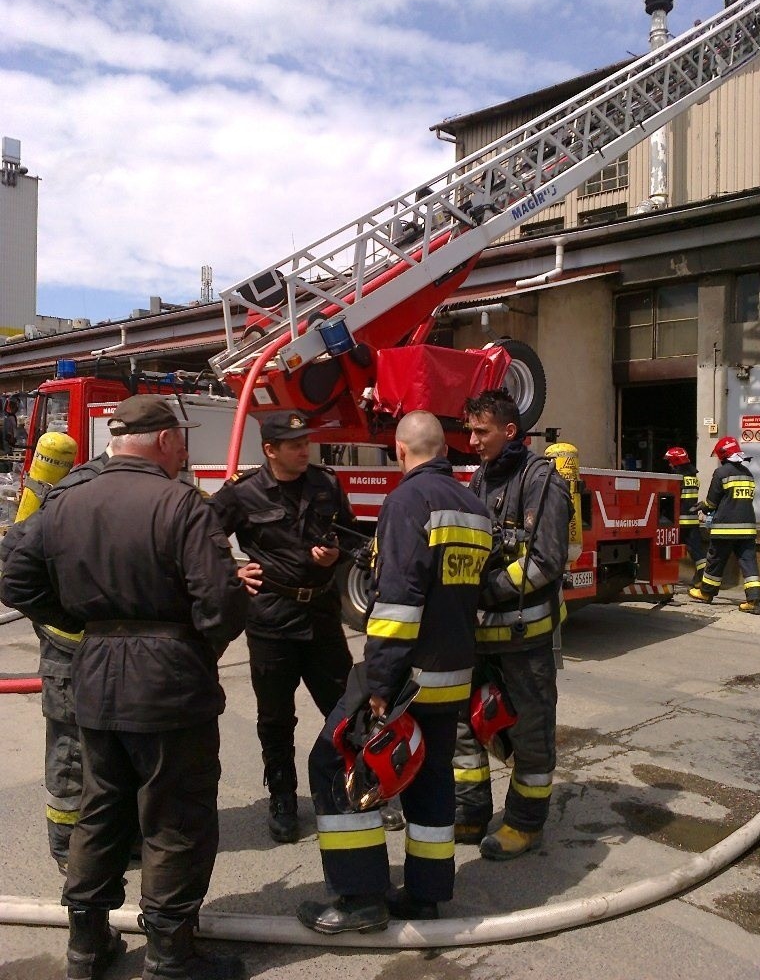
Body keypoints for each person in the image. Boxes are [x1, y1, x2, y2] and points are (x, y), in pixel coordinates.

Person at [0, 394, 249, 980]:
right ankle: (170, 955)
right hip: (167, 680)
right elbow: (219, 600)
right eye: (181, 440)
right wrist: (195, 646)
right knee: (175, 815)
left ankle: (86, 948)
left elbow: (14, 577)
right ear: (163, 441)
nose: (185, 451)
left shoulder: (66, 501)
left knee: (100, 809)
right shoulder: (180, 502)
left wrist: (83, 620)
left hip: (94, 674)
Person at [296, 410, 493, 934]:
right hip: (453, 672)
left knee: (333, 758)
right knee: (430, 777)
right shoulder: (473, 506)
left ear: (401, 451)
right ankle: (426, 895)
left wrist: (379, 684)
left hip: (407, 676)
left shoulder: (408, 501)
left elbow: (400, 604)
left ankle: (360, 898)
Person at [211, 408, 406, 844]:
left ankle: (365, 786)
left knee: (345, 707)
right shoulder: (242, 494)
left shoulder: (325, 483)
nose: (305, 450)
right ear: (270, 450)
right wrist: (231, 572)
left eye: (306, 443)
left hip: (320, 615)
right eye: (295, 446)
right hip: (272, 619)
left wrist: (335, 555)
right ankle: (283, 797)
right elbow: (200, 537)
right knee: (276, 717)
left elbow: (350, 535)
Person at [452, 388, 572, 860]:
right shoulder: (480, 479)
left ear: (509, 430)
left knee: (531, 733)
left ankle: (524, 824)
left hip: (525, 639)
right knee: (465, 725)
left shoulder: (541, 479)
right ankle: (470, 812)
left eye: (481, 432)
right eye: (469, 431)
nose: (473, 440)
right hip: (479, 637)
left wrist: (482, 589)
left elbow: (545, 564)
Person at [0, 447, 112, 874]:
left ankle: (116, 834)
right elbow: (14, 569)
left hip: (111, 645)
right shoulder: (75, 495)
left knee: (115, 745)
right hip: (71, 644)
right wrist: (62, 617)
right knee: (70, 751)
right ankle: (67, 845)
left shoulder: (131, 489)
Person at [689, 435, 760, 614]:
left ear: (723, 455)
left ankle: (706, 593)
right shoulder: (748, 474)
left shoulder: (721, 473)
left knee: (715, 560)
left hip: (725, 527)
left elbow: (712, 503)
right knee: (748, 562)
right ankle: (753, 600)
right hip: (747, 527)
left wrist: (702, 507)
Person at [663, 446, 707, 586]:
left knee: (668, 550)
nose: (669, 464)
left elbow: (669, 500)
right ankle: (702, 580)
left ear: (676, 461)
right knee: (697, 552)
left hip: (678, 522)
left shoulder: (677, 479)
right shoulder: (694, 478)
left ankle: (666, 580)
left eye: (670, 461)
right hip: (692, 521)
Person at [0, 395, 19, 472]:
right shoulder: (7, 418)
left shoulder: (10, 417)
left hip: (7, 445)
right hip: (5, 445)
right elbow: (9, 434)